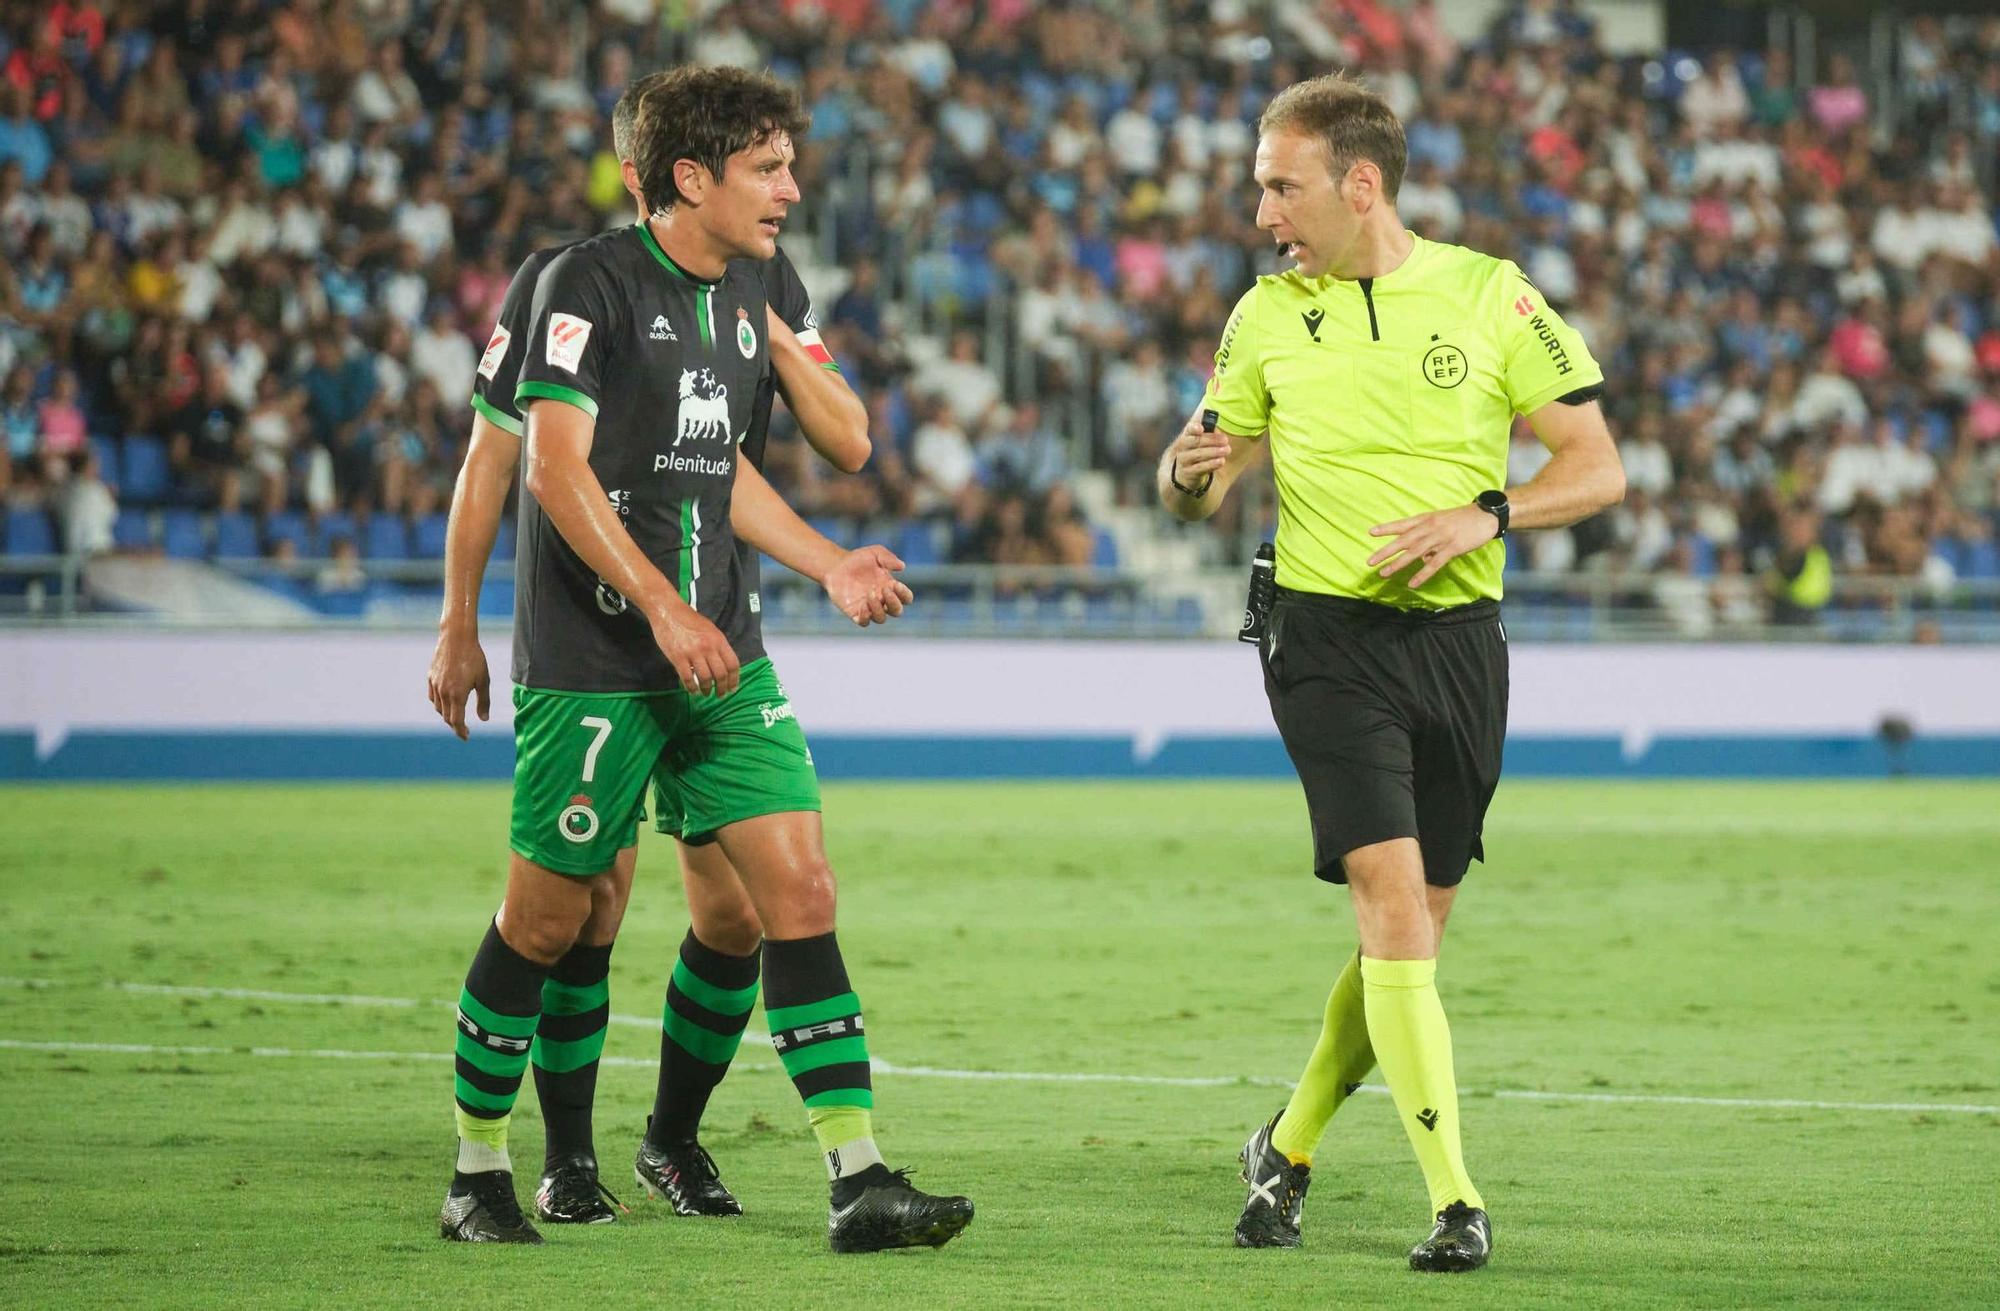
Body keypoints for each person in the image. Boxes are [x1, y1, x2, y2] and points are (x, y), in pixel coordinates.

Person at [436, 65, 973, 1254]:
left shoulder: (752, 293)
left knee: (793, 891)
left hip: (725, 648)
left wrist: (827, 563)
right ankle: (486, 1167)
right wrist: (467, 618)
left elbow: (719, 472)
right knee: (552, 917)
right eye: (768, 169)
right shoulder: (578, 285)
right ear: (689, 178)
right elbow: (545, 469)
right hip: (595, 657)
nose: (791, 189)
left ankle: (856, 1176)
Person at [1157, 73, 1624, 1272]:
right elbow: (1201, 481)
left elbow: (1596, 467)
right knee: (1389, 909)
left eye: (1279, 185)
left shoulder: (1488, 295)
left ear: (1358, 184)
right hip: (1323, 643)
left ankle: (1287, 1144)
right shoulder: (1263, 316)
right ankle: (1454, 1201)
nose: (1261, 210)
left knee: (1410, 935)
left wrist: (1491, 512)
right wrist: (1188, 465)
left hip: (1461, 649)